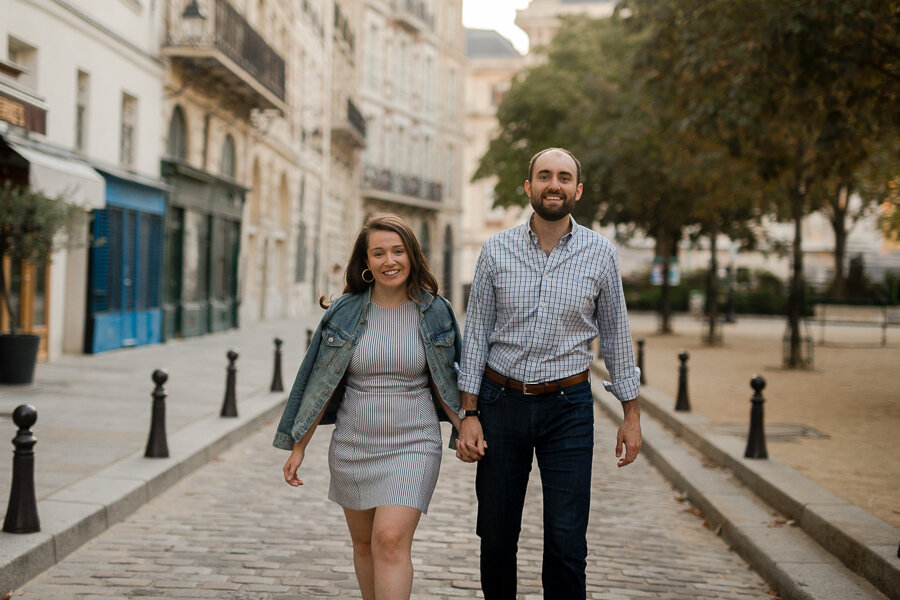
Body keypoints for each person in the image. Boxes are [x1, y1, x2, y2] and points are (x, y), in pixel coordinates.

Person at [455, 148, 643, 599]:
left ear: (577, 190)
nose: (553, 184)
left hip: (569, 409)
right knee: (497, 537)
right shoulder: (496, 249)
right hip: (500, 404)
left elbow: (616, 334)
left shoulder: (600, 253)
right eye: (544, 176)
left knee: (566, 541)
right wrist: (469, 413)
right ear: (529, 187)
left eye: (563, 177)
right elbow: (477, 332)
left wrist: (630, 415)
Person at [273, 213, 462, 600]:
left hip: (414, 442)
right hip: (354, 445)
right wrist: (298, 445)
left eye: (398, 251)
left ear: (412, 255)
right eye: (378, 253)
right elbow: (317, 383)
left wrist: (467, 424)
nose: (389, 260)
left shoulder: (435, 310)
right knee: (364, 547)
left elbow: (449, 379)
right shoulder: (343, 311)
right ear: (366, 262)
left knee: (390, 541)